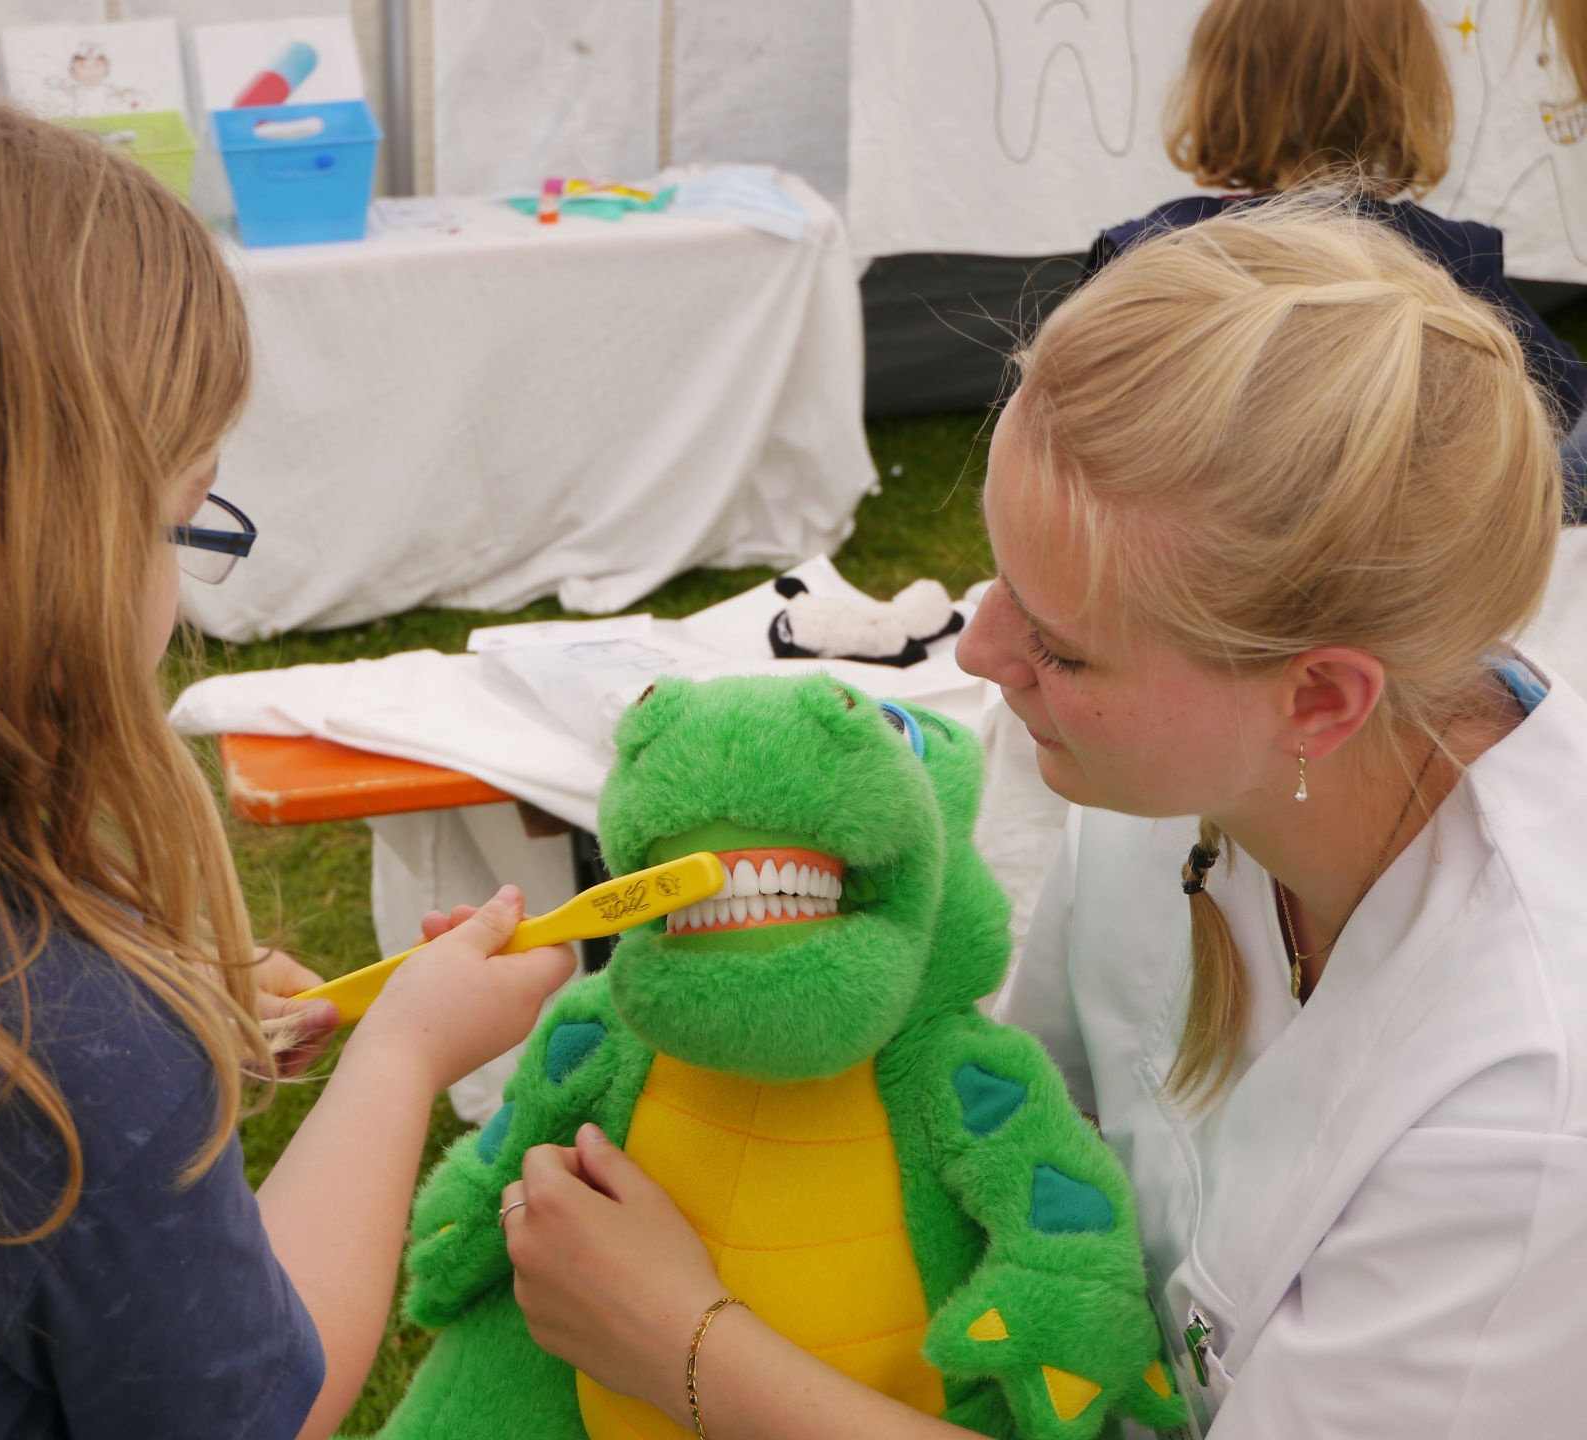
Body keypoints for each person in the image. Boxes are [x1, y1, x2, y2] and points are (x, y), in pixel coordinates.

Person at [488, 200, 1586, 1438]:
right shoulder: (1179, 781)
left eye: (1061, 647)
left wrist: (690, 1350)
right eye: (1002, 575)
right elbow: (1019, 1125)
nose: (984, 647)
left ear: (1319, 699)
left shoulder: (1528, 1099)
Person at [0, 87, 573, 1440]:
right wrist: (401, 1057)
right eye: (172, 523)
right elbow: (258, 1404)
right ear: (24, 563)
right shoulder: (53, 1059)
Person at [1090, 0, 1587, 520]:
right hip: (1392, 548)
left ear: (1217, 88)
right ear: (1406, 94)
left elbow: (1073, 412)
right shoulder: (1449, 256)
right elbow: (1560, 404)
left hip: (1187, 543)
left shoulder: (1150, 249)